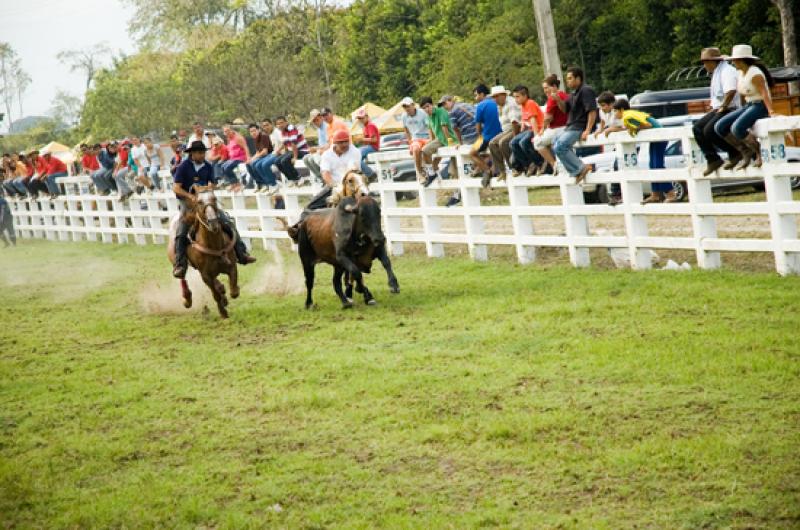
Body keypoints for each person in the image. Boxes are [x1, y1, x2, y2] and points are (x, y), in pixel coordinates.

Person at [171, 141, 256, 278]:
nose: (202, 155)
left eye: (203, 152)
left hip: (205, 202)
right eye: (199, 153)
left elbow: (213, 183)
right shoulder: (183, 167)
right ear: (192, 154)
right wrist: (190, 196)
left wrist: (208, 190)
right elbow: (176, 187)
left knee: (227, 223)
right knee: (181, 233)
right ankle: (180, 264)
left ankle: (242, 253)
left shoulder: (208, 166)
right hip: (188, 204)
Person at [714, 44, 776, 170]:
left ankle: (759, 152)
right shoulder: (741, 73)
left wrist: (771, 110)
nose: (733, 63)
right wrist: (741, 110)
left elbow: (764, 92)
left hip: (759, 105)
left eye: (734, 60)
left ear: (740, 60)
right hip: (748, 105)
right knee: (719, 127)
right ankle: (745, 151)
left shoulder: (755, 74)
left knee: (737, 128)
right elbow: (742, 93)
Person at [612, 99, 672, 203]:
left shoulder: (627, 115)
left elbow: (648, 125)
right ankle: (655, 194)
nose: (614, 114)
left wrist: (637, 128)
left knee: (657, 165)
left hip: (659, 137)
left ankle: (671, 193)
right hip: (655, 138)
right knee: (652, 165)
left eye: (615, 111)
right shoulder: (630, 114)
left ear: (621, 109)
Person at [553, 66, 597, 184]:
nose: (568, 81)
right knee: (555, 142)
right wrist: (557, 100)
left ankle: (581, 168)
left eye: (570, 78)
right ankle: (576, 170)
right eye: (567, 79)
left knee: (560, 146)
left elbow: (592, 111)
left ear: (578, 79)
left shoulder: (586, 90)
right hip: (571, 127)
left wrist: (588, 130)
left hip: (580, 127)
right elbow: (565, 110)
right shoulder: (572, 94)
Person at [305, 129, 363, 210]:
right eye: (341, 142)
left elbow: (352, 170)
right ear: (335, 143)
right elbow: (325, 173)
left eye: (346, 142)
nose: (344, 144)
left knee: (367, 205)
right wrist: (334, 186)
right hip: (334, 185)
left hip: (352, 186)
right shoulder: (327, 155)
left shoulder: (355, 152)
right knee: (310, 207)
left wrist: (344, 187)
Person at [534, 74, 570, 176]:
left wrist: (542, 130)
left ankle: (554, 164)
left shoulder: (552, 98)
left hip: (558, 128)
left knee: (537, 142)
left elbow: (548, 118)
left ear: (554, 86)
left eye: (546, 88)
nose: (545, 90)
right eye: (544, 88)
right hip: (566, 128)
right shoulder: (564, 95)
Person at [420, 96, 457, 186]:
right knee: (426, 153)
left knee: (453, 171)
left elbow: (444, 128)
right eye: (424, 108)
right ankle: (434, 175)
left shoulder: (441, 111)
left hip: (449, 140)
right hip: (439, 141)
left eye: (428, 106)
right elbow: (431, 134)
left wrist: (450, 142)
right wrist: (430, 143)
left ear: (432, 105)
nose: (426, 109)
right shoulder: (428, 117)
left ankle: (457, 195)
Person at [509, 85, 545, 177]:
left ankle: (539, 163)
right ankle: (528, 164)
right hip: (529, 130)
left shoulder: (530, 103)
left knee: (523, 142)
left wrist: (536, 136)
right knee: (513, 142)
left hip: (538, 129)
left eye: (517, 96)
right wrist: (521, 131)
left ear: (525, 96)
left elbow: (533, 120)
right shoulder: (523, 105)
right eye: (514, 97)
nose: (515, 99)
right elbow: (524, 121)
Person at [472, 83, 503, 188]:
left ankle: (487, 171)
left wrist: (479, 136)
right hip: (500, 134)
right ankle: (492, 172)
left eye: (476, 95)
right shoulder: (496, 102)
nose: (476, 98)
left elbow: (478, 125)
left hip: (486, 136)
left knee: (472, 153)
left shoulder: (480, 106)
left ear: (482, 94)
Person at [488, 85, 521, 180]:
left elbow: (515, 122)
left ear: (503, 95)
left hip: (516, 128)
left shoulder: (510, 104)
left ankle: (514, 167)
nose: (495, 99)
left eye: (497, 96)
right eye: (493, 97)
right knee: (492, 143)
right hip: (507, 130)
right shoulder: (500, 106)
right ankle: (502, 171)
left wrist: (515, 137)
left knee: (503, 142)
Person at [400, 97, 431, 182]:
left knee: (427, 151)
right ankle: (419, 172)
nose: (406, 108)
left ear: (413, 105)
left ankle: (430, 171)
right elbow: (406, 130)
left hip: (426, 137)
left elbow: (429, 127)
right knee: (416, 148)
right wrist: (410, 142)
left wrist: (430, 139)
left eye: (408, 106)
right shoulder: (403, 116)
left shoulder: (422, 113)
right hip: (415, 139)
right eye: (404, 106)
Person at [274, 116, 309, 183]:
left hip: (302, 150)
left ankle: (298, 177)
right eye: (278, 124)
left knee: (284, 161)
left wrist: (295, 157)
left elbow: (293, 144)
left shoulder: (291, 128)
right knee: (277, 162)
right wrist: (278, 151)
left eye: (282, 123)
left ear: (286, 122)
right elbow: (285, 143)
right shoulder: (282, 131)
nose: (280, 125)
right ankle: (291, 179)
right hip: (292, 151)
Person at [246, 123, 278, 194]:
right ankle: (260, 183)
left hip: (270, 155)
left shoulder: (264, 136)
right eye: (251, 131)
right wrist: (252, 158)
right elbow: (258, 151)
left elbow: (265, 151)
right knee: (248, 164)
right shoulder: (255, 139)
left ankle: (270, 183)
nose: (253, 133)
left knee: (257, 164)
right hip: (263, 156)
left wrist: (255, 158)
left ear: (258, 130)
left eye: (254, 130)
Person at [220, 125, 248, 191]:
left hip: (240, 158)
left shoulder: (237, 138)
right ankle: (233, 184)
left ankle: (237, 184)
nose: (226, 133)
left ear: (231, 130)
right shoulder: (229, 139)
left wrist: (248, 158)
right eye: (225, 131)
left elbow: (245, 147)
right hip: (233, 159)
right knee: (223, 166)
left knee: (227, 168)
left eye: (228, 131)